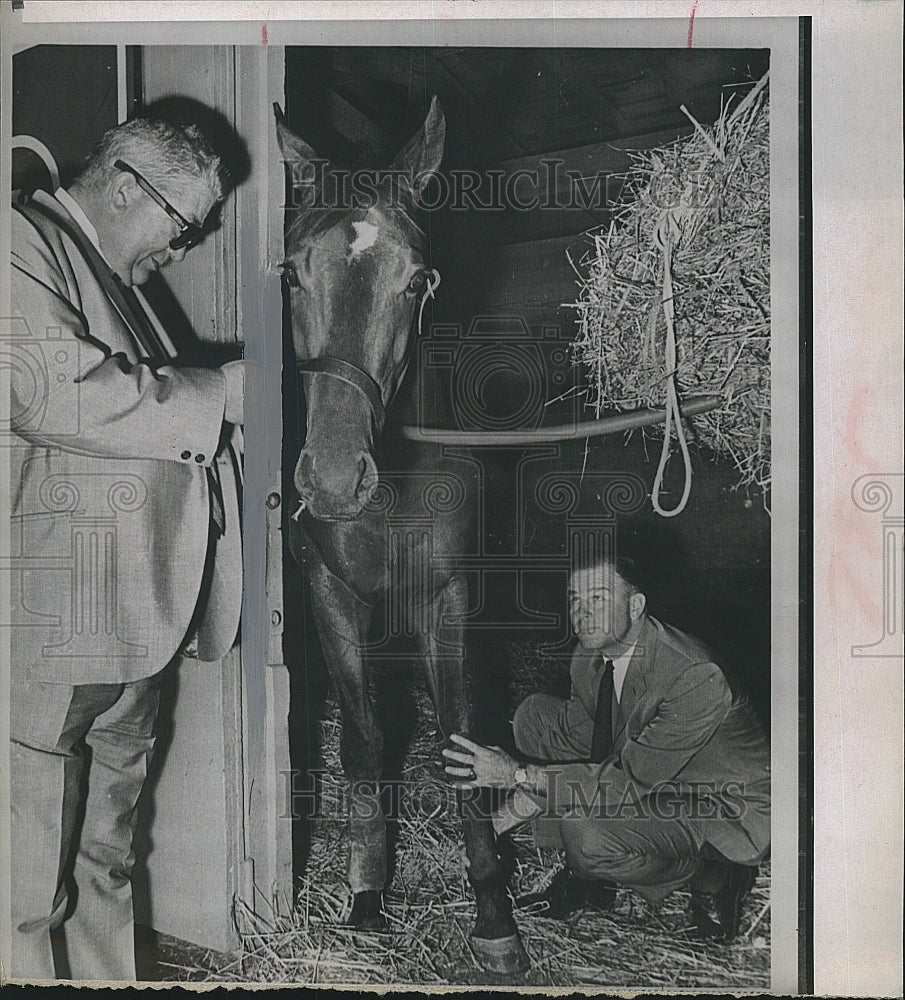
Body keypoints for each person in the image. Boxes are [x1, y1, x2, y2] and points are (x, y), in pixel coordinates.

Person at [6, 117, 245, 981]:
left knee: (104, 860)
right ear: (121, 183)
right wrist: (222, 391)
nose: (181, 250)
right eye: (182, 227)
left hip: (135, 623)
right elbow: (47, 392)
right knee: (23, 877)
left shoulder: (115, 272)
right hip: (55, 622)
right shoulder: (16, 242)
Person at [443, 551, 770, 941]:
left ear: (635, 606)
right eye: (574, 600)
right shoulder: (590, 656)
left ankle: (715, 875)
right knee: (536, 719)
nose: (581, 613)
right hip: (652, 774)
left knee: (585, 832)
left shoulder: (696, 675)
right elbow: (593, 752)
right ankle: (594, 881)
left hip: (720, 803)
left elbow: (626, 779)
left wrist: (517, 775)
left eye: (597, 598)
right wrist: (496, 824)